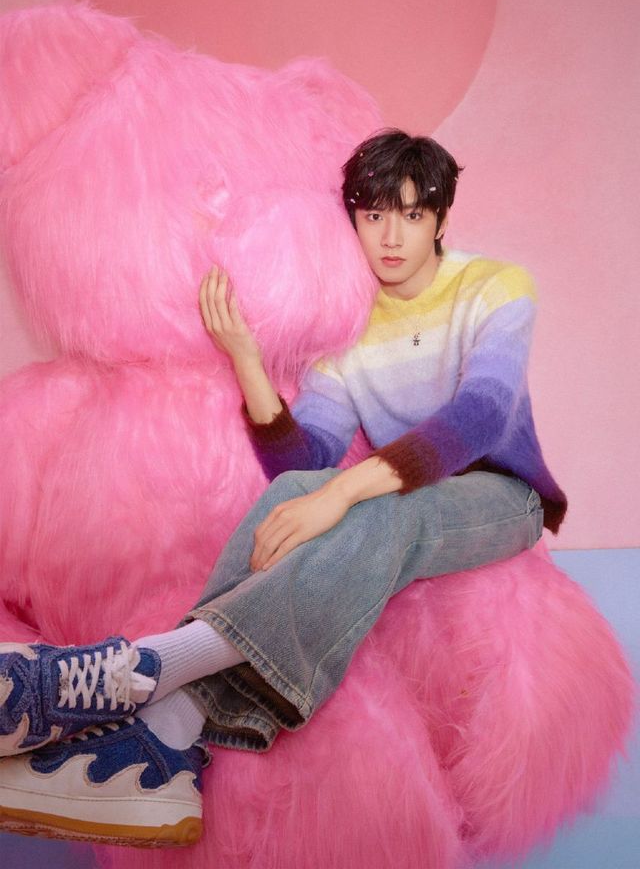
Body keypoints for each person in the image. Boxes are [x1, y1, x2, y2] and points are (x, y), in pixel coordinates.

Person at [0, 130, 567, 848]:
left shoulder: (498, 286)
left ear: (441, 219)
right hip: (400, 489)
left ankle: (144, 667)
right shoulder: (352, 330)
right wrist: (246, 358)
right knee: (305, 485)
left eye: (412, 214)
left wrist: (342, 494)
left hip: (501, 493)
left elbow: (481, 415)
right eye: (374, 216)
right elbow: (304, 459)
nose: (392, 237)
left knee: (388, 509)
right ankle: (165, 745)